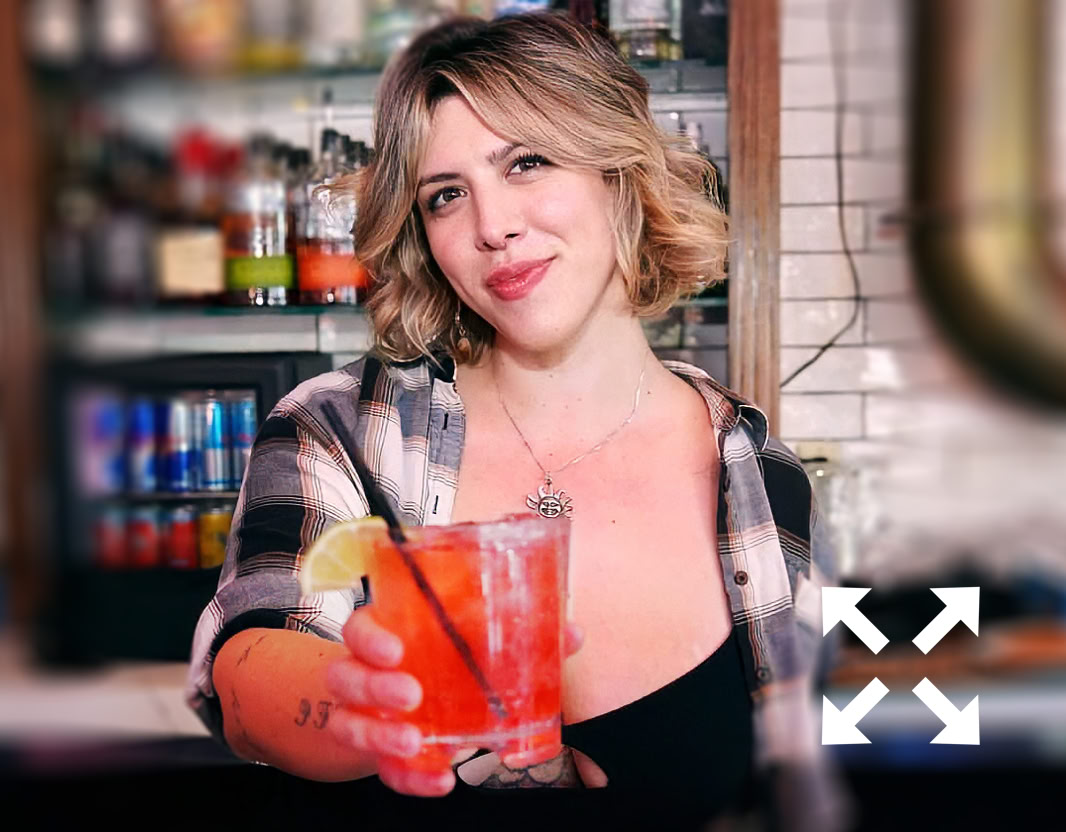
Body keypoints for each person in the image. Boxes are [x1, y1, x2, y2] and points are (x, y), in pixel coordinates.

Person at [186, 11, 855, 832]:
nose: (492, 227)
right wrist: (366, 709)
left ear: (621, 171)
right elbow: (253, 671)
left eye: (528, 162)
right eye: (446, 196)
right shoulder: (344, 430)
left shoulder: (759, 474)